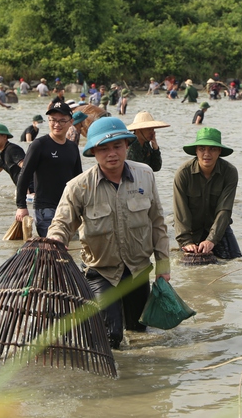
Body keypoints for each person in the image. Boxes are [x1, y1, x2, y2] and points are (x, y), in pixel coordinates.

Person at [47, 116, 170, 349]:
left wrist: (163, 268)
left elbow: (157, 223)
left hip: (138, 269)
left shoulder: (145, 175)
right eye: (103, 148)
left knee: (139, 331)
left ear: (127, 146)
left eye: (117, 146)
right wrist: (55, 240)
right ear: (93, 151)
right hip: (101, 271)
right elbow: (61, 223)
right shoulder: (78, 187)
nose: (111, 153)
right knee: (110, 336)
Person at [15, 102, 82, 236]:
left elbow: (78, 179)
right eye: (53, 120)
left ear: (71, 122)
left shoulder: (72, 147)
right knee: (52, 246)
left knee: (72, 248)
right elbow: (24, 175)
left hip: (68, 207)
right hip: (45, 208)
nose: (57, 124)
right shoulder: (39, 145)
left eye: (62, 120)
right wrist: (21, 206)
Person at [173, 127, 242, 259]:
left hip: (218, 228)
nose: (207, 153)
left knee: (236, 260)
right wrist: (186, 241)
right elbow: (180, 212)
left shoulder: (230, 172)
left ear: (219, 151)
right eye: (202, 149)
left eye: (212, 149)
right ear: (196, 151)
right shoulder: (183, 173)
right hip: (191, 230)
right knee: (189, 267)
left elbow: (224, 210)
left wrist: (212, 240)